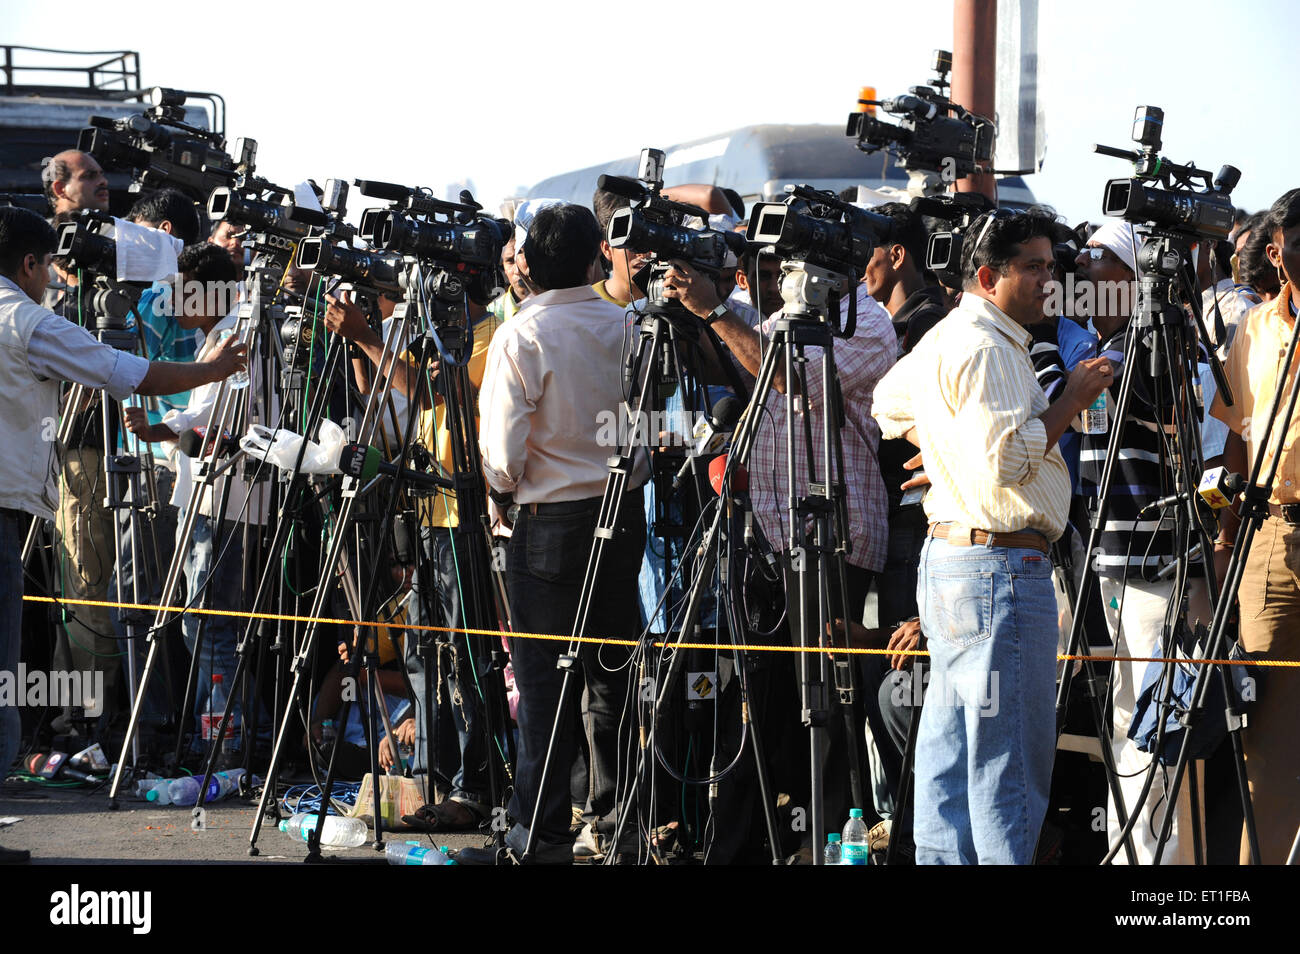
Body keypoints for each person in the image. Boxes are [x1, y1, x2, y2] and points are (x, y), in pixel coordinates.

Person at [0, 206, 247, 863]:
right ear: (29, 263)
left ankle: (176, 731)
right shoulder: (24, 319)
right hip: (8, 504)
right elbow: (123, 372)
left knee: (200, 619)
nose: (54, 276)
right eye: (48, 265)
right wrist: (208, 373)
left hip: (209, 494)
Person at [872, 209, 1113, 864]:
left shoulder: (954, 334)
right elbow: (1007, 462)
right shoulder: (989, 346)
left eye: (1051, 265)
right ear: (988, 276)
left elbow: (888, 404)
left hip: (955, 565)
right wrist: (1076, 397)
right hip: (999, 571)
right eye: (1032, 267)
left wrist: (947, 447)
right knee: (1004, 765)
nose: (1049, 279)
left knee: (950, 757)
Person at [466, 204, 649, 864]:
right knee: (610, 679)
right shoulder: (629, 327)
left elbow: (503, 458)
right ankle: (621, 827)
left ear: (532, 266)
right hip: (620, 517)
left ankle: (538, 838)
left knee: (544, 686)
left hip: (546, 524)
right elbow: (648, 433)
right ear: (596, 255)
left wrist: (501, 494)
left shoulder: (522, 335)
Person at [1209, 187, 1300, 864]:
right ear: (1277, 252)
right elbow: (1236, 434)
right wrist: (1225, 533)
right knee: (1267, 741)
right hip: (1272, 536)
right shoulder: (1253, 330)